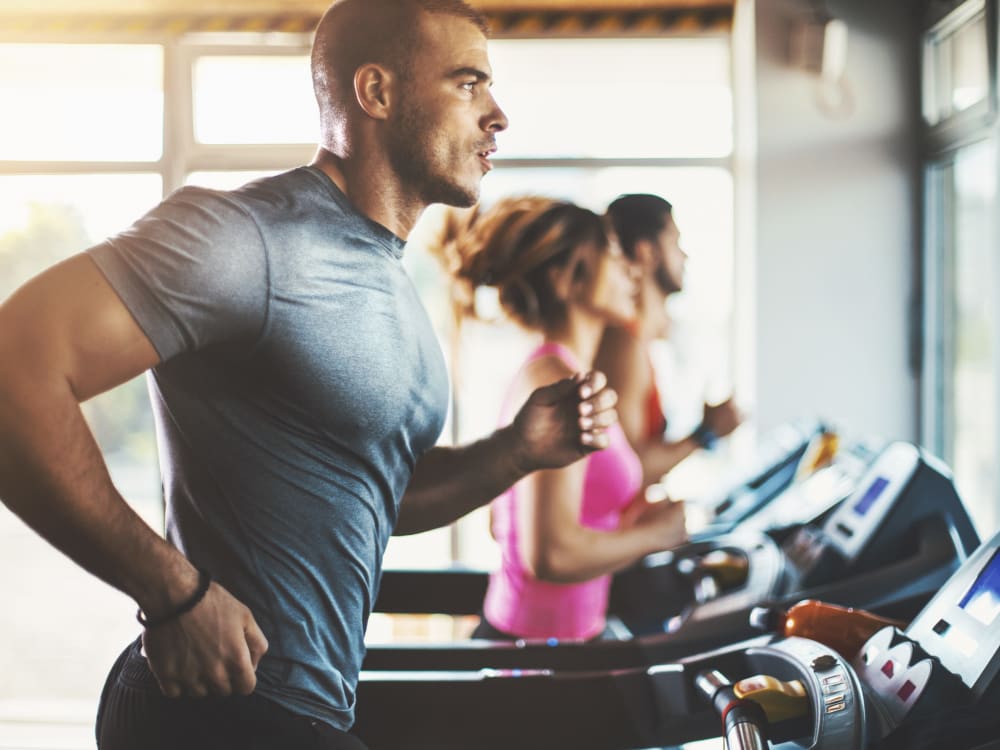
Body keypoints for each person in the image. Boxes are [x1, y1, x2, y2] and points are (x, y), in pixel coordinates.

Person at [0, 2, 621, 748]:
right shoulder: (248, 238)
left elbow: (379, 494)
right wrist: (171, 594)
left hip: (303, 711)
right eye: (468, 84)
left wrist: (515, 451)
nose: (498, 116)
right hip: (216, 710)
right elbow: (15, 366)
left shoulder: (395, 286)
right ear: (377, 93)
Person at [434, 196, 688, 642]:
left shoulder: (567, 373)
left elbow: (511, 523)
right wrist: (657, 535)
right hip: (533, 656)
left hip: (567, 642)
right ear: (566, 279)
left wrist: (627, 526)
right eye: (611, 254)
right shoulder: (555, 382)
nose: (630, 271)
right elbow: (549, 555)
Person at [595, 193, 743, 487]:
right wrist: (706, 433)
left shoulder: (642, 341)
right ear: (647, 251)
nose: (684, 256)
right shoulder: (623, 344)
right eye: (675, 242)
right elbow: (628, 472)